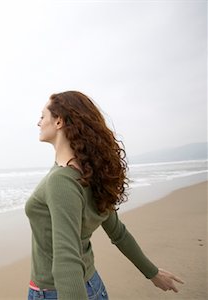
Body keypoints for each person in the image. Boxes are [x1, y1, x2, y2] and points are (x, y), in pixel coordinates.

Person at [25, 91, 184, 300]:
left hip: (59, 292)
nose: (38, 123)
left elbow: (67, 257)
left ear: (59, 122)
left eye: (42, 116)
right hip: (92, 285)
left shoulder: (62, 181)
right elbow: (119, 232)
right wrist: (152, 272)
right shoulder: (90, 173)